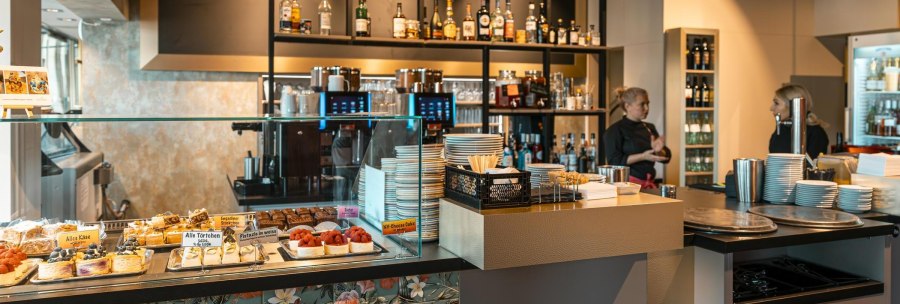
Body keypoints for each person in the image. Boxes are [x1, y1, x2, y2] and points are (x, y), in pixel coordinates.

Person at [604, 87, 671, 189]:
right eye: (642, 104)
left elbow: (666, 158)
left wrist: (658, 151)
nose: (647, 108)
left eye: (648, 104)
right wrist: (643, 156)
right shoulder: (614, 130)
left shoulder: (649, 128)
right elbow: (614, 162)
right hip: (626, 187)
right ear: (628, 106)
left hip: (650, 185)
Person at [768, 84, 829, 159]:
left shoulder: (816, 133)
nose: (771, 108)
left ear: (793, 105)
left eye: (776, 103)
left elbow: (814, 165)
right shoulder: (781, 128)